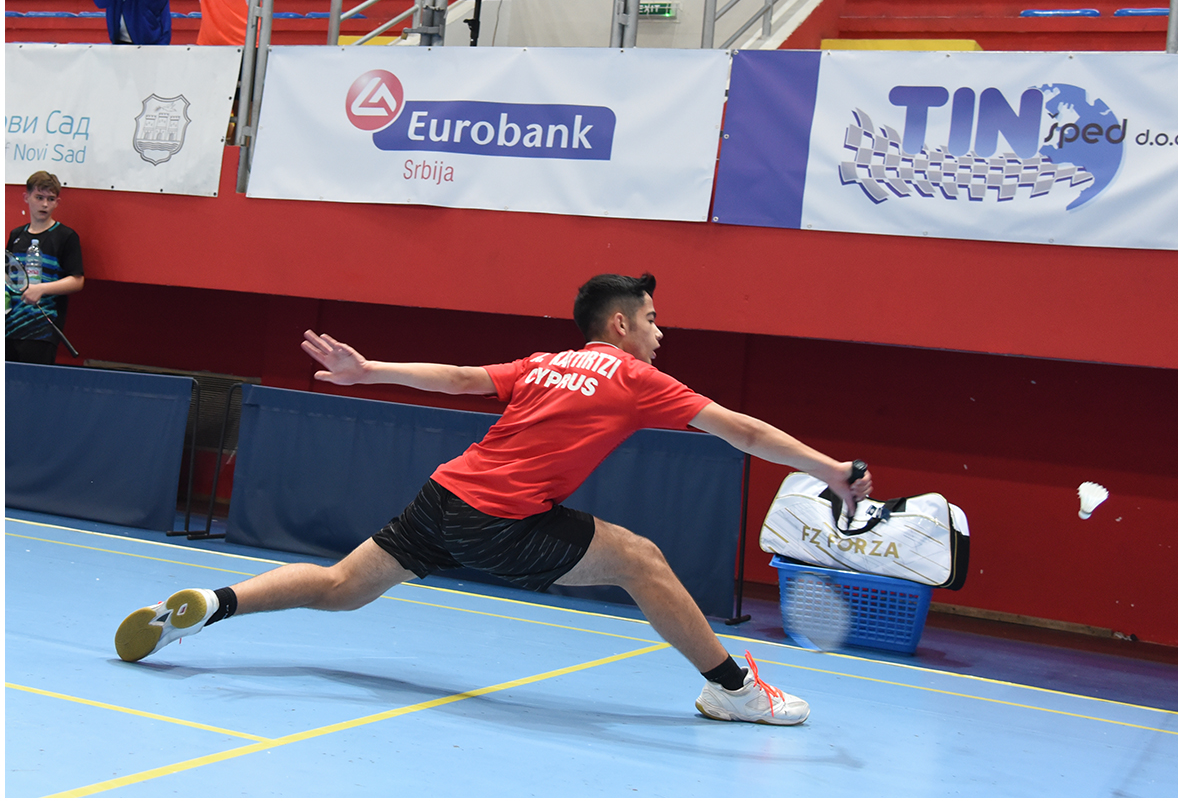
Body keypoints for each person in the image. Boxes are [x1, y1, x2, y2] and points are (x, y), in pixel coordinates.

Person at [114, 273, 873, 726]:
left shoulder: (544, 363)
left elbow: (457, 379)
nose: (659, 332)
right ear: (619, 324)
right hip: (501, 519)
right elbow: (742, 431)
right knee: (641, 560)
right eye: (650, 319)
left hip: (444, 494)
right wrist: (831, 469)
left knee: (342, 586)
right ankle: (735, 691)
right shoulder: (636, 377)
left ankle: (211, 605)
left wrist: (369, 369)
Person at [6, 171, 85, 365]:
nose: (44, 204)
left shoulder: (66, 236)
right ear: (26, 197)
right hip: (9, 328)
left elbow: (77, 280)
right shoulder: (16, 235)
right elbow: (8, 276)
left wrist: (41, 289)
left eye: (50, 199)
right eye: (39, 197)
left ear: (57, 202)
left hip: (42, 329)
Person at [93, 0, 172, 45]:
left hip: (149, 45)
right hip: (119, 42)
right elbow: (101, 2)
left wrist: (163, 44)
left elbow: (162, 8)